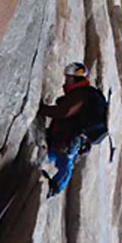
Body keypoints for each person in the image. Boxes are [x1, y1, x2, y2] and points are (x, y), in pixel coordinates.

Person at [38, 62, 95, 198]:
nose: (66, 80)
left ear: (76, 79)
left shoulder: (82, 95)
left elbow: (65, 111)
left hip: (68, 141)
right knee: (57, 158)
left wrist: (42, 109)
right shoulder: (78, 94)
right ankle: (53, 185)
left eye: (68, 78)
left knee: (64, 161)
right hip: (62, 139)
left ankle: (56, 187)